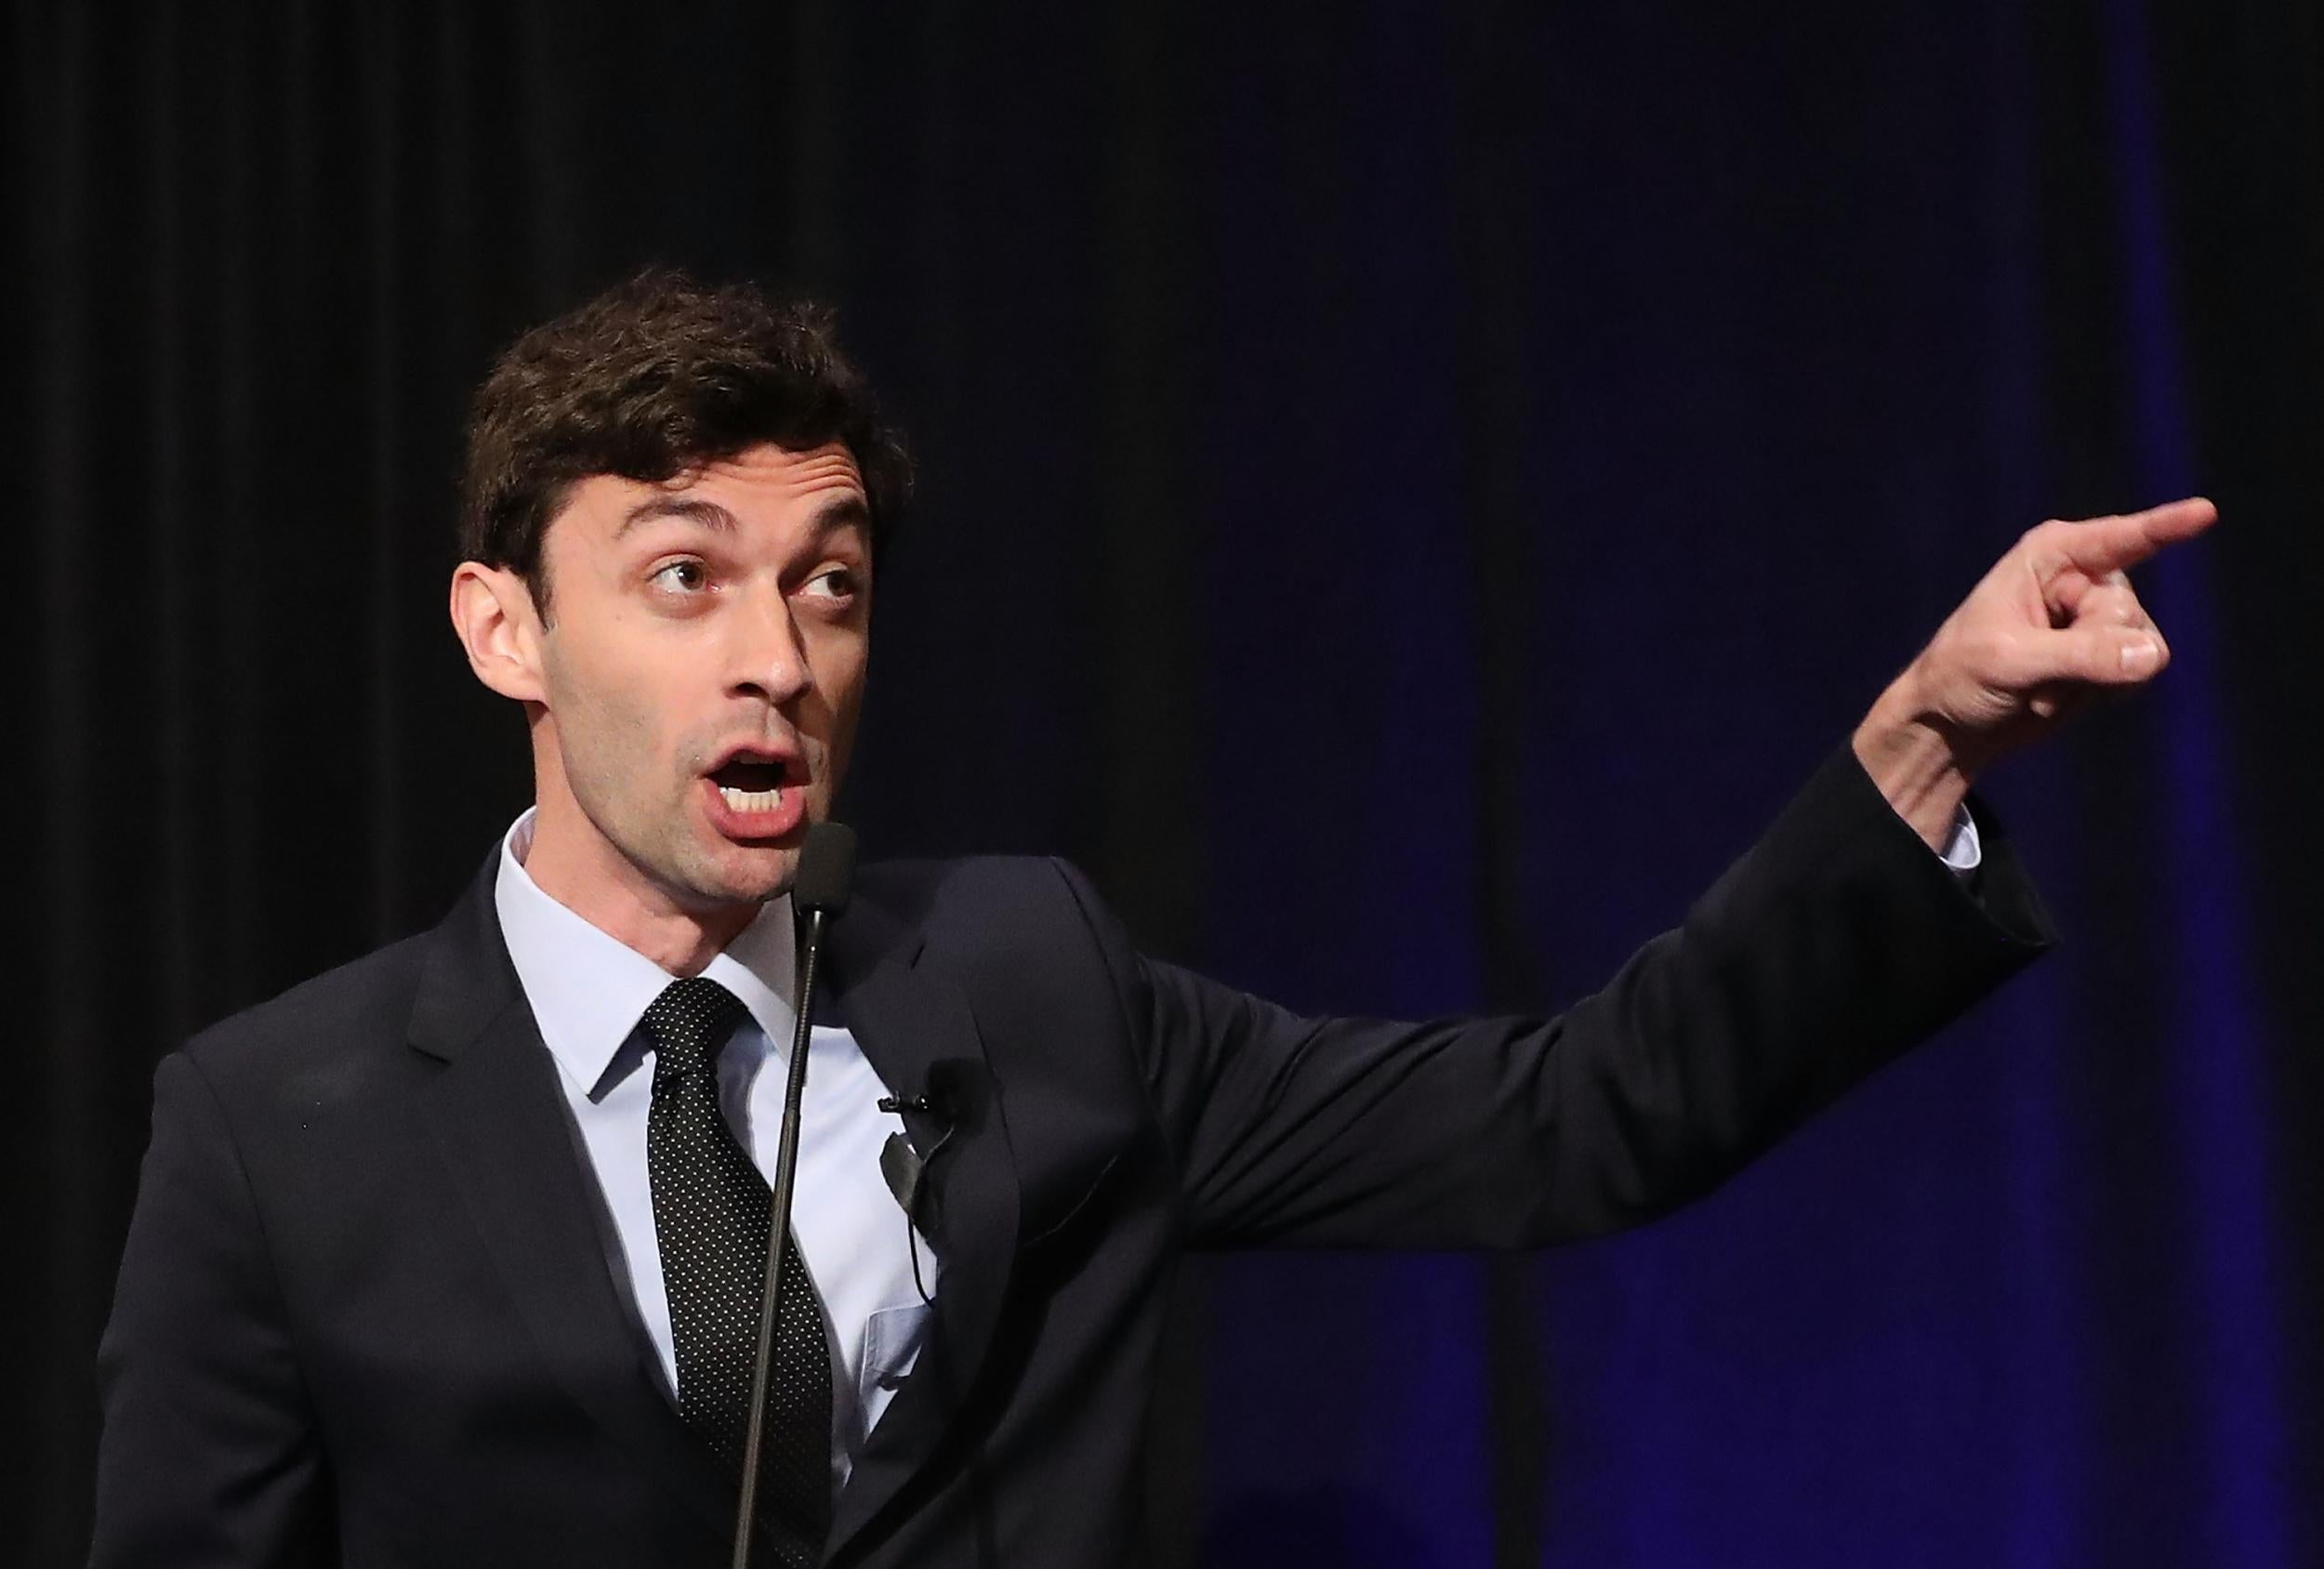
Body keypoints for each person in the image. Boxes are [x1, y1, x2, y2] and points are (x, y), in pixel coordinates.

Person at [90, 269, 2215, 1569]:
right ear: (505, 630)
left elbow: (1581, 1112)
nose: (777, 656)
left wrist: (1919, 747)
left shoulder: (1025, 987)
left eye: (825, 581)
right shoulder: (280, 1128)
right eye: (683, 577)